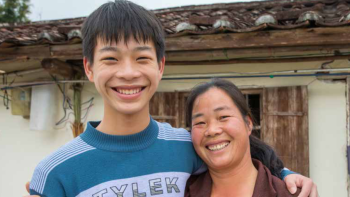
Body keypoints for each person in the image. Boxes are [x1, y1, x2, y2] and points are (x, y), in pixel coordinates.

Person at [26, 1, 317, 197]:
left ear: (160, 66)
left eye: (141, 58)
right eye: (111, 59)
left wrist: (286, 175)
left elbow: (238, 157)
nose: (128, 73)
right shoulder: (56, 172)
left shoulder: (186, 146)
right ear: (89, 68)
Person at [184, 78, 316, 197]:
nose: (212, 130)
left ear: (248, 124)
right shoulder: (181, 192)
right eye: (200, 122)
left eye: (223, 117)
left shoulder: (293, 194)